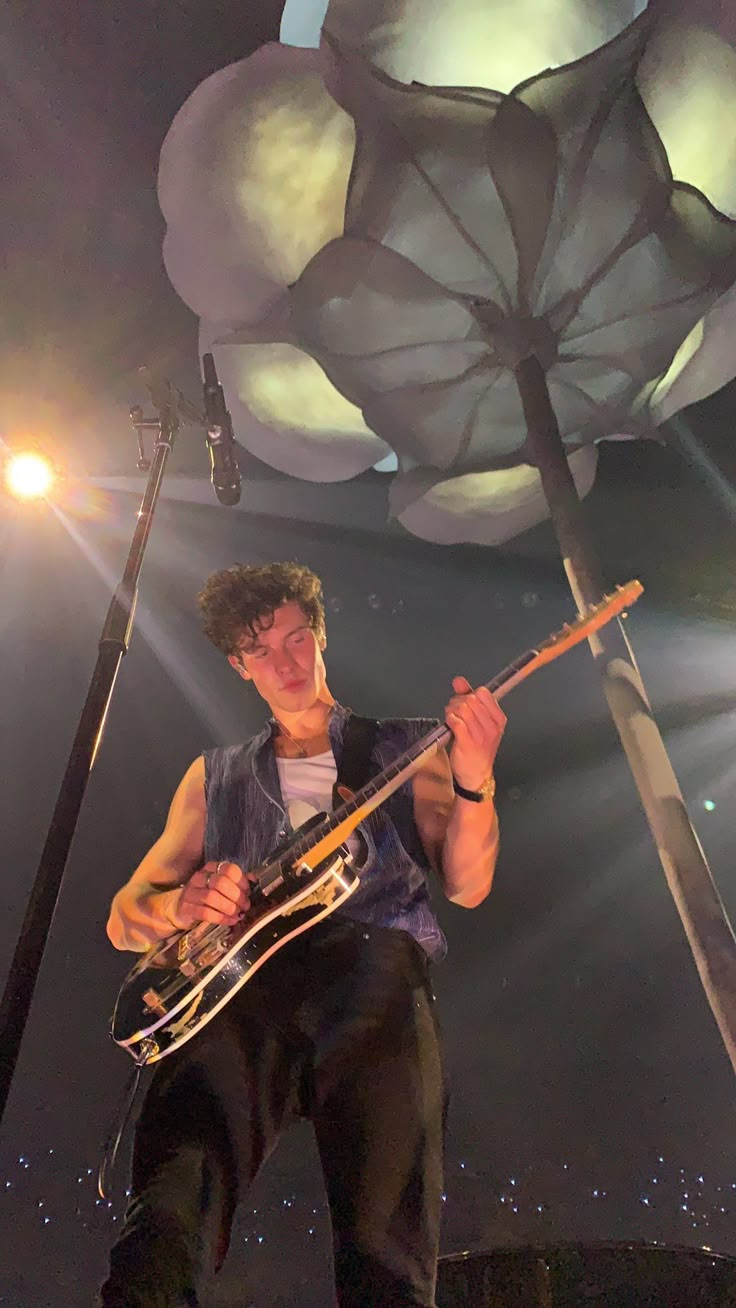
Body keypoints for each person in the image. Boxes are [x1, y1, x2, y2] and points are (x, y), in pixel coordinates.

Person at [101, 561, 506, 1308]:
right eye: (263, 652)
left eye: (297, 640)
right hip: (236, 997)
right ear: (238, 664)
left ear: (321, 637)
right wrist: (182, 904)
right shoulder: (212, 776)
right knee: (166, 1218)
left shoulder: (410, 747)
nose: (286, 664)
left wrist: (475, 778)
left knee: (387, 1249)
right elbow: (126, 914)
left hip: (375, 974)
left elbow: (468, 884)